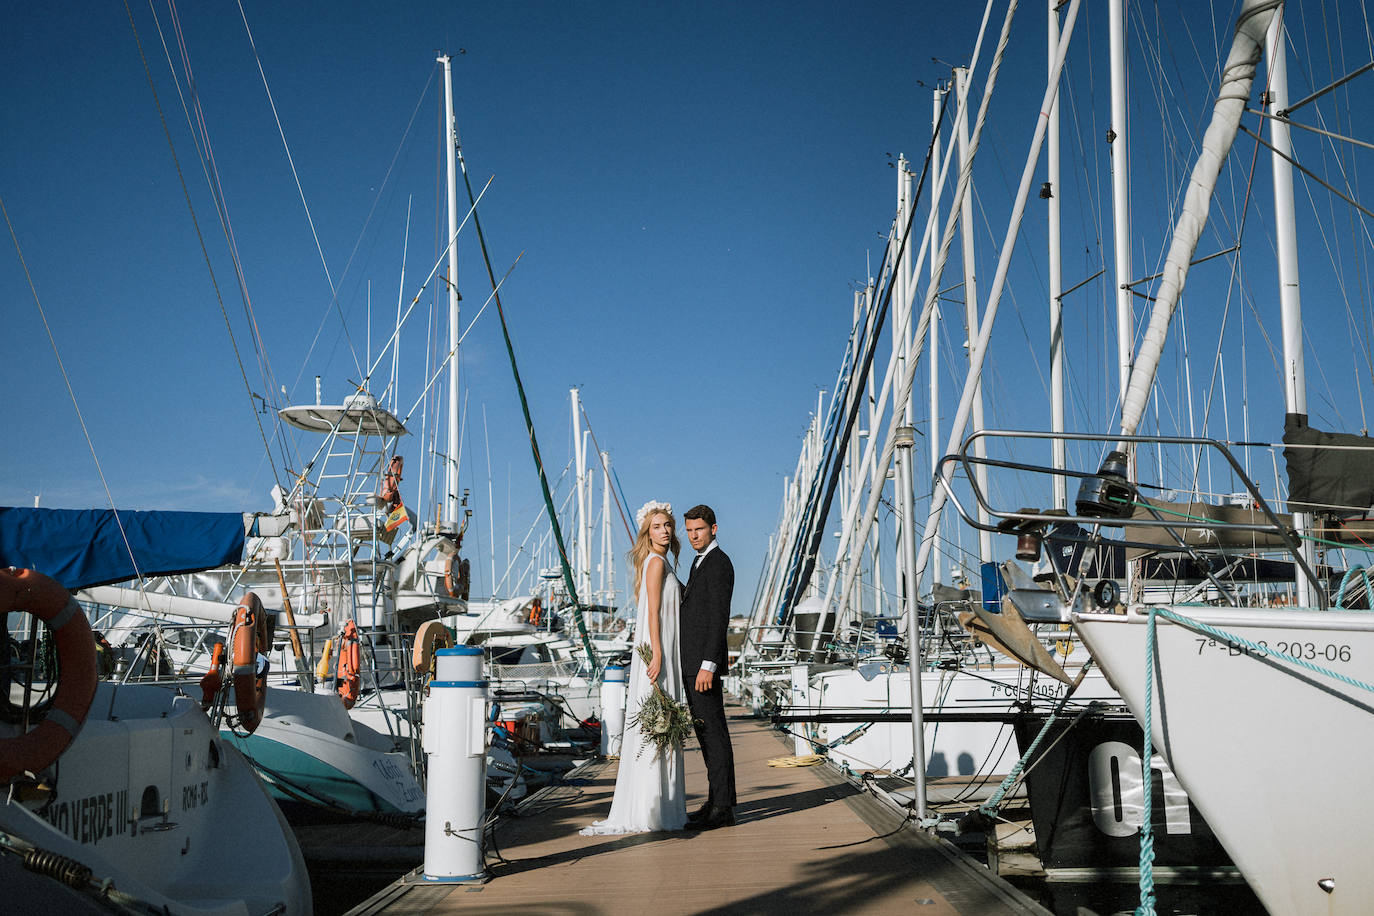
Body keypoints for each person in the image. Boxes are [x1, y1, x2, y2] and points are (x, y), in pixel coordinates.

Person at [581, 500, 688, 835]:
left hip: (666, 650)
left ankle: (661, 805)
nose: (665, 530)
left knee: (661, 727)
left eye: (668, 525)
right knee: (658, 727)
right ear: (647, 532)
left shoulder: (663, 563)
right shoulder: (655, 564)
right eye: (657, 526)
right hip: (661, 653)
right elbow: (653, 614)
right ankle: (654, 809)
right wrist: (657, 655)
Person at [680, 504, 736, 830]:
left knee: (714, 735)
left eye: (698, 530)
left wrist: (708, 665)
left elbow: (719, 619)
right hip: (693, 663)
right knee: (705, 735)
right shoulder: (698, 562)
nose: (693, 536)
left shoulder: (719, 564)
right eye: (688, 531)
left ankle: (723, 809)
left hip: (703, 667)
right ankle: (716, 800)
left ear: (713, 528)